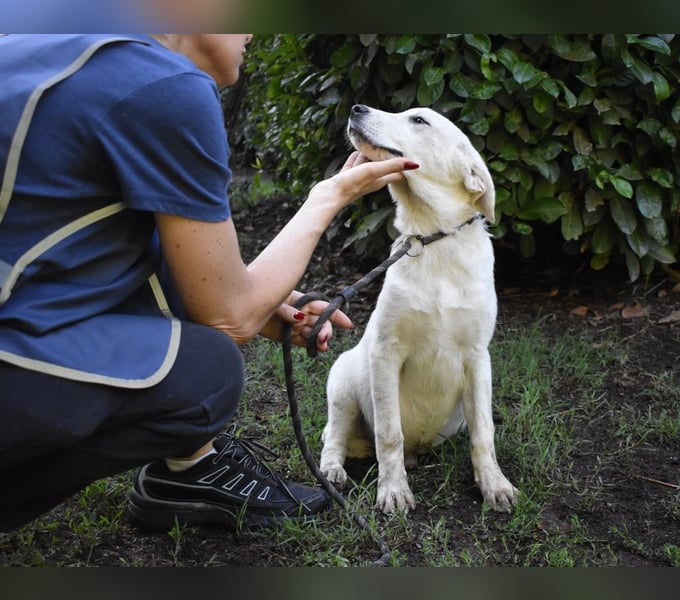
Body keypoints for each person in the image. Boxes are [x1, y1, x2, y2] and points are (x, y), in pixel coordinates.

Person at [0, 34, 417, 533]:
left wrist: (262, 301)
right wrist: (327, 199)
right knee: (209, 370)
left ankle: (193, 465)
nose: (254, 33)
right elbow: (227, 314)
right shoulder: (167, 87)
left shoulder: (44, 46)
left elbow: (113, 255)